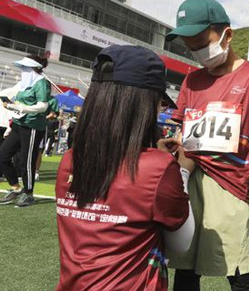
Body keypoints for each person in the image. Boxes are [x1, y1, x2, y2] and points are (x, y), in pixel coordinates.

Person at [165, 0, 249, 291]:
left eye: (201, 41)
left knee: (239, 267)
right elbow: (184, 131)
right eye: (190, 46)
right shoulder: (191, 81)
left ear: (227, 34)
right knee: (185, 265)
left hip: (230, 183)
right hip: (188, 178)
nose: (197, 51)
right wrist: (172, 144)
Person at [55, 45, 195, 290]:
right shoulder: (158, 168)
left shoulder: (70, 159)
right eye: (159, 104)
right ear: (142, 104)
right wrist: (182, 170)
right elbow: (182, 244)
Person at [0, 54, 51, 207]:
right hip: (18, 124)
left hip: (33, 126)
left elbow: (43, 106)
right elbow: (19, 103)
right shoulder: (24, 83)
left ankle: (28, 194)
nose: (22, 70)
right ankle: (16, 188)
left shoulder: (42, 83)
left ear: (33, 68)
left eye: (24, 67)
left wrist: (19, 107)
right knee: (2, 155)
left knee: (26, 161)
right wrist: (12, 106)